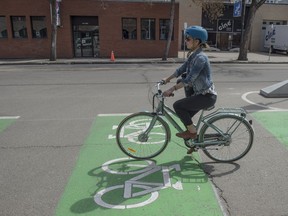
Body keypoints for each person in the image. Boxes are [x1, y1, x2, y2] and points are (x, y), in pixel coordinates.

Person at [162, 25, 217, 141]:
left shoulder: (201, 58)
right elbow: (182, 69)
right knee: (185, 117)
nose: (185, 41)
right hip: (199, 94)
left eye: (188, 39)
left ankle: (193, 134)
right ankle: (195, 139)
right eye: (185, 38)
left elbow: (190, 79)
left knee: (178, 106)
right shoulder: (194, 55)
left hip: (206, 96)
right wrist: (168, 78)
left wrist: (172, 89)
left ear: (197, 41)